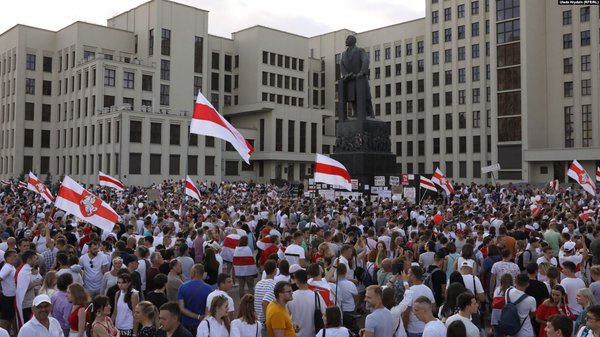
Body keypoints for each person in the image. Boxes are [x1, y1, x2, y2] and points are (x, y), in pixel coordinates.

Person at [286, 269, 325, 337]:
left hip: (295, 334)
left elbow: (285, 317)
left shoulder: (290, 297)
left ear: (296, 281)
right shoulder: (316, 296)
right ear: (307, 279)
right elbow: (324, 313)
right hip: (313, 334)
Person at [178, 264, 213, 336]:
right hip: (202, 323)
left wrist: (197, 316)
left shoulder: (182, 287)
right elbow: (210, 309)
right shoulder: (209, 289)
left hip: (186, 323)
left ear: (193, 273)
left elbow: (181, 308)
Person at [403, 266, 435, 337]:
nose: (407, 276)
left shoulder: (409, 292)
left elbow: (406, 313)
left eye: (408, 274)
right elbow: (433, 308)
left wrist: (404, 328)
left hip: (413, 330)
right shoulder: (428, 290)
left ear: (413, 276)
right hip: (426, 327)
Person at [16, 250, 42, 327]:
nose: (37, 260)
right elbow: (24, 289)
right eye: (35, 258)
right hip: (26, 304)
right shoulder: (24, 272)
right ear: (29, 259)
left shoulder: (29, 270)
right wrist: (36, 283)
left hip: (32, 302)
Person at [112, 273, 139, 337]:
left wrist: (135, 333)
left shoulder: (133, 294)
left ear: (129, 283)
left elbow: (135, 314)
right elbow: (115, 312)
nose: (120, 285)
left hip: (128, 328)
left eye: (123, 283)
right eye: (119, 282)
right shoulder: (117, 293)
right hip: (117, 328)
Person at [254, 260, 277, 334]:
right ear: (275, 271)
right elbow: (264, 302)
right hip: (265, 322)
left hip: (258, 320)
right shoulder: (273, 284)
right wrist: (268, 320)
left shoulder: (259, 283)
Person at [0, 249, 17, 330]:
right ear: (8, 258)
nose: (16, 258)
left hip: (11, 297)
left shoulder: (11, 266)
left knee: (10, 319)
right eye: (14, 256)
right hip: (7, 298)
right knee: (5, 320)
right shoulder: (7, 267)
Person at [52, 273, 74, 337]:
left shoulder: (55, 295)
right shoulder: (68, 301)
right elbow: (67, 319)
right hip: (64, 328)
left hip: (55, 325)